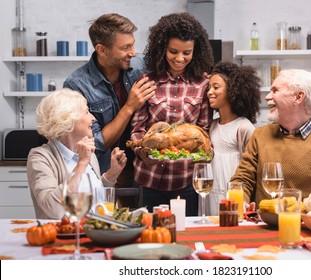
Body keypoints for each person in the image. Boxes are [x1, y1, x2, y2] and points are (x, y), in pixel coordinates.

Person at [230, 69, 311, 210]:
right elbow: (242, 180)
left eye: (275, 90)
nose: (267, 97)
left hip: (309, 229)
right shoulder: (259, 135)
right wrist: (240, 201)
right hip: (263, 226)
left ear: (298, 97)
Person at [63, 13, 156, 207]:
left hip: (145, 169)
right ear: (102, 50)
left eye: (132, 44)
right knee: (110, 226)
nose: (133, 52)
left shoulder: (139, 65)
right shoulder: (76, 85)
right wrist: (129, 106)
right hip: (107, 173)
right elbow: (96, 143)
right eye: (125, 48)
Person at [130, 12, 214, 216]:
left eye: (187, 52)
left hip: (186, 180)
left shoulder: (203, 84)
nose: (180, 58)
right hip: (150, 178)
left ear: (196, 51)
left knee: (187, 235)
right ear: (162, 49)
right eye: (173, 51)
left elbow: (202, 130)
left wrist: (205, 152)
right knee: (152, 238)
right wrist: (142, 152)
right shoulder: (147, 81)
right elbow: (137, 128)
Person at [27, 89, 127, 219]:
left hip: (95, 233)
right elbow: (53, 209)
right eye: (86, 112)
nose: (93, 118)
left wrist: (111, 175)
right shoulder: (41, 157)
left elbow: (94, 200)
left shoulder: (89, 155)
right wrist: (82, 163)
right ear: (67, 120)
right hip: (65, 236)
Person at [205, 62, 261, 215]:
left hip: (233, 196)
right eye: (209, 88)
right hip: (211, 195)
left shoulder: (244, 127)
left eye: (216, 87)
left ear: (233, 90)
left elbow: (251, 169)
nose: (210, 92)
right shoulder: (212, 125)